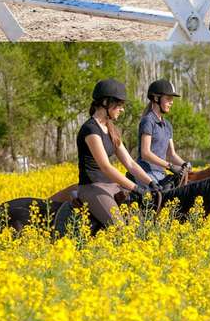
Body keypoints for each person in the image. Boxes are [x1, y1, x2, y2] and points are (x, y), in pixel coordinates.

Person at [62, 78, 160, 233]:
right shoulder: (90, 130)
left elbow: (130, 163)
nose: (122, 109)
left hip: (112, 186)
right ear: (106, 103)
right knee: (121, 229)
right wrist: (135, 187)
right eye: (119, 105)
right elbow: (106, 167)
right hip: (92, 188)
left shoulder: (111, 129)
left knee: (140, 222)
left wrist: (151, 183)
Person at [138, 79, 189, 177]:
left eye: (172, 99)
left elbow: (171, 155)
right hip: (146, 172)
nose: (172, 102)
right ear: (156, 98)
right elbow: (145, 153)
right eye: (168, 98)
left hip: (160, 173)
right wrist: (169, 166)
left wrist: (184, 164)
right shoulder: (148, 121)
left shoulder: (167, 125)